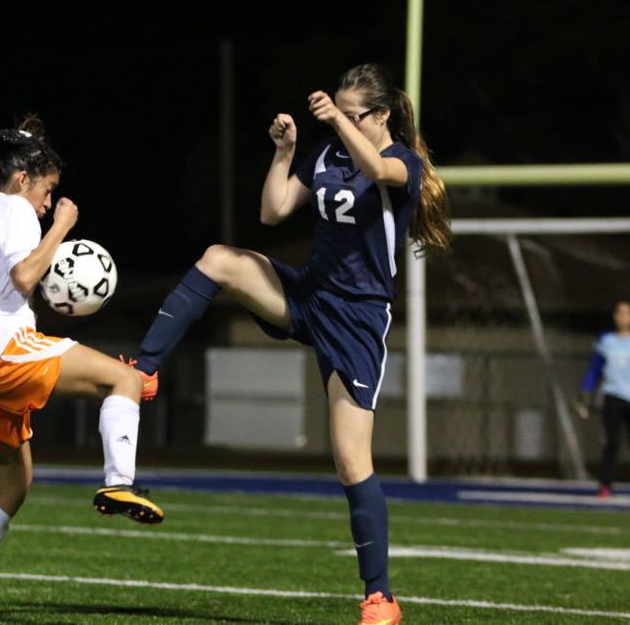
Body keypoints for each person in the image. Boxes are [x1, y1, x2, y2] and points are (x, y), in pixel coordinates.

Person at [128, 63, 451, 625]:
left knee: (351, 461)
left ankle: (381, 597)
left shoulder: (403, 161)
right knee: (218, 259)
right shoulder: (327, 153)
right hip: (308, 295)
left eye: (353, 116)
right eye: (340, 115)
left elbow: (375, 166)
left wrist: (335, 121)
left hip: (357, 318)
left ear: (380, 116)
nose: (341, 125)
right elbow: (272, 211)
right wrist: (286, 151)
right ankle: (144, 370)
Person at [0, 116, 164, 619]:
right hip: (4, 353)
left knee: (14, 483)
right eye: (48, 190)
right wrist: (61, 225)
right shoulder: (16, 208)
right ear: (21, 179)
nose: (47, 201)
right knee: (125, 378)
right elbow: (24, 275)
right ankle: (120, 481)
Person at [578, 299, 630, 499]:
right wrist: (586, 390)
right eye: (621, 313)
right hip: (613, 396)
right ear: (615, 317)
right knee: (612, 442)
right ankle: (605, 485)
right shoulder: (606, 341)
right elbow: (595, 369)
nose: (624, 318)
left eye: (628, 313)